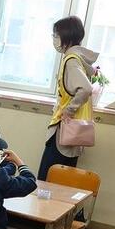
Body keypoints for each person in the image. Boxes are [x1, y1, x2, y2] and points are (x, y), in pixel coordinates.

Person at [38, 16, 99, 181]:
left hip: (64, 131)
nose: (54, 39)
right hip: (75, 132)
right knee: (64, 181)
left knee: (46, 180)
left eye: (56, 35)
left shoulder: (71, 61)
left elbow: (86, 88)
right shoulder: (79, 59)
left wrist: (69, 110)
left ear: (66, 37)